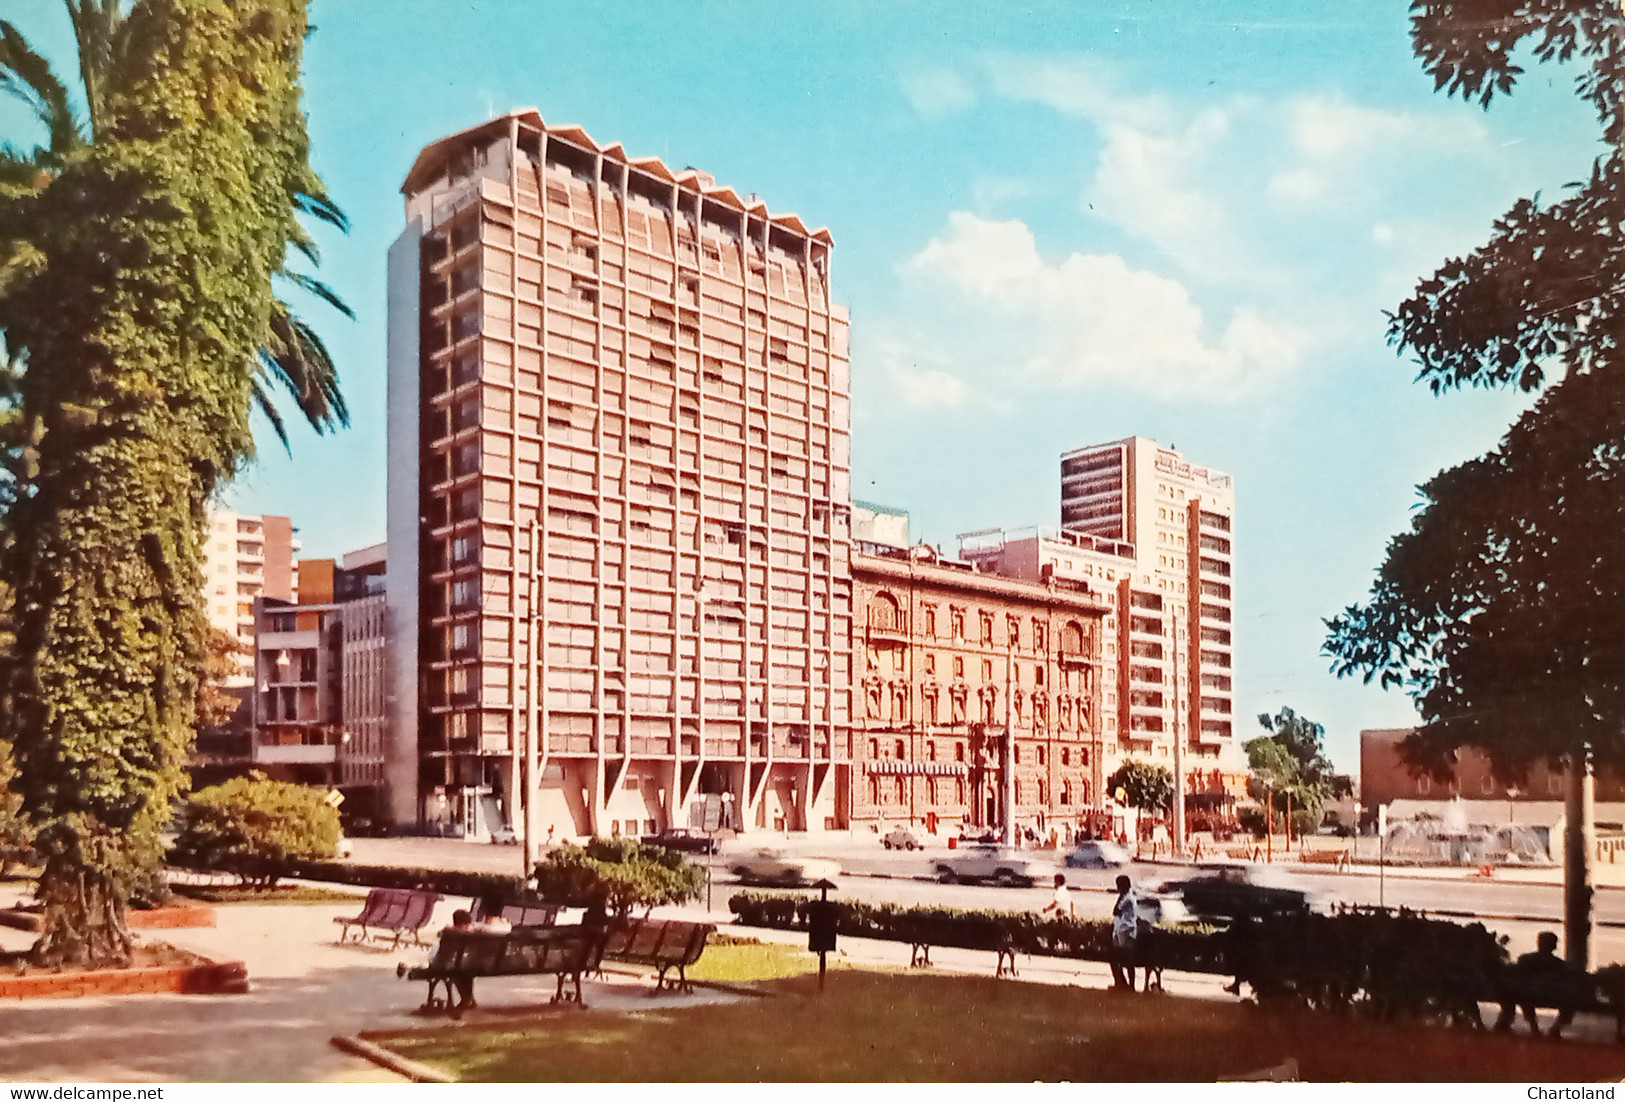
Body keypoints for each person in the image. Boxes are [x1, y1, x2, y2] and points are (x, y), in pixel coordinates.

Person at [1495, 931, 1575, 1038]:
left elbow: (1515, 974)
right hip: (1551, 995)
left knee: (1517, 992)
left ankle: (1527, 1025)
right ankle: (1555, 1029)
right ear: (1554, 946)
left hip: (1527, 993)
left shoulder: (1525, 959)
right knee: (1570, 1001)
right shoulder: (1559, 964)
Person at [1110, 874, 1139, 991]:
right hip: (1119, 932)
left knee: (1127, 961)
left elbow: (1115, 911)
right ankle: (1121, 983)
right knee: (1116, 960)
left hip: (1127, 932)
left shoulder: (1128, 899)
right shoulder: (1124, 897)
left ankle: (1130, 986)